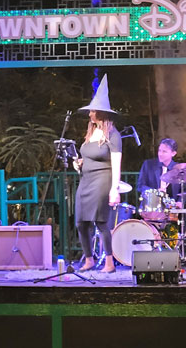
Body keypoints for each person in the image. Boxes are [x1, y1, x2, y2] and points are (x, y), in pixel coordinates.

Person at [74, 74, 122, 273]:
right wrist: (78, 163)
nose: (89, 114)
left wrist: (114, 189)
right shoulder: (90, 133)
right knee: (80, 222)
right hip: (85, 181)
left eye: (92, 111)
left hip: (103, 181)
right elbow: (87, 157)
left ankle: (109, 263)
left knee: (101, 222)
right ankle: (89, 259)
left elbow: (116, 163)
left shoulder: (113, 135)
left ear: (101, 113)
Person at [137, 138, 182, 203]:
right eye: (159, 150)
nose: (160, 154)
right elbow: (140, 186)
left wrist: (180, 202)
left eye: (164, 151)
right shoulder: (148, 165)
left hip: (171, 205)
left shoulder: (178, 168)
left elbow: (183, 190)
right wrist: (155, 192)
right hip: (151, 204)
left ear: (173, 153)